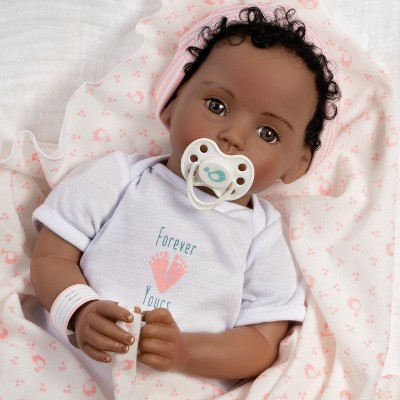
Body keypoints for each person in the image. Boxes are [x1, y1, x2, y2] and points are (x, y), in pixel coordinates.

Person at [30, 4, 340, 398]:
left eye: (268, 133)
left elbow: (263, 341)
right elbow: (50, 257)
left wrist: (185, 352)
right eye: (217, 106)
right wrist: (78, 309)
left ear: (296, 164)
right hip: (64, 369)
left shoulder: (262, 235)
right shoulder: (117, 178)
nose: (232, 137)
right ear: (172, 103)